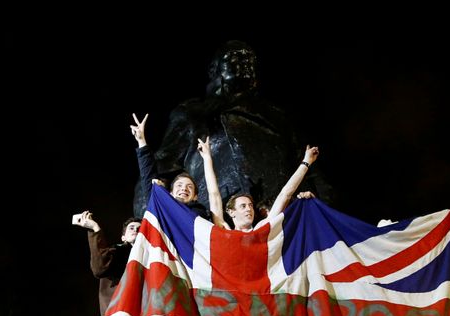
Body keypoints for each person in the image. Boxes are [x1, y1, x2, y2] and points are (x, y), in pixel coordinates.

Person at [132, 41, 332, 217]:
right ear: (215, 69)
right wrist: (147, 216)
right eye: (234, 58)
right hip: (219, 217)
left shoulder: (277, 115)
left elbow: (309, 166)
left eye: (249, 59)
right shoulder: (193, 113)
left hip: (285, 213)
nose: (245, 62)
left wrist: (328, 208)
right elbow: (161, 166)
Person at [197, 135, 319, 231]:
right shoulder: (224, 232)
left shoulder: (261, 229)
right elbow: (214, 195)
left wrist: (306, 162)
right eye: (243, 206)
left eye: (250, 205)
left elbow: (285, 194)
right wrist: (207, 158)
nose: (249, 209)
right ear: (231, 212)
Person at [129, 113, 210, 220]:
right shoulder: (161, 210)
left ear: (195, 196)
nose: (184, 188)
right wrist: (141, 140)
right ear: (171, 193)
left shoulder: (200, 215)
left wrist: (207, 159)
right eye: (179, 185)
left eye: (190, 187)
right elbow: (148, 176)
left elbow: (214, 195)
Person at [73, 211, 141, 316]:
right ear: (123, 237)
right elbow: (99, 268)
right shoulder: (117, 252)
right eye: (131, 228)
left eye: (140, 229)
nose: (136, 230)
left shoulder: (152, 257)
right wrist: (95, 229)